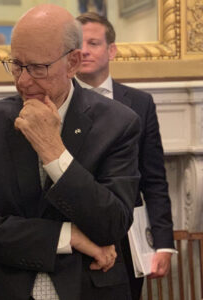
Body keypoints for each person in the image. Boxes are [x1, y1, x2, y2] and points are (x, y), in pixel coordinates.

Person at [0, 4, 141, 300]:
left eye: (38, 68)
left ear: (73, 62)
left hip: (89, 289)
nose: (23, 81)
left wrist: (54, 153)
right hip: (2, 289)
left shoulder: (118, 124)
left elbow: (112, 223)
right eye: (16, 64)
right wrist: (69, 236)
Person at [75, 12, 176, 300]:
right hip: (76, 236)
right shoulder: (59, 100)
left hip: (128, 237)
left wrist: (164, 245)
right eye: (78, 44)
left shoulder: (140, 104)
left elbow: (154, 179)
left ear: (112, 50)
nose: (83, 51)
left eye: (93, 43)